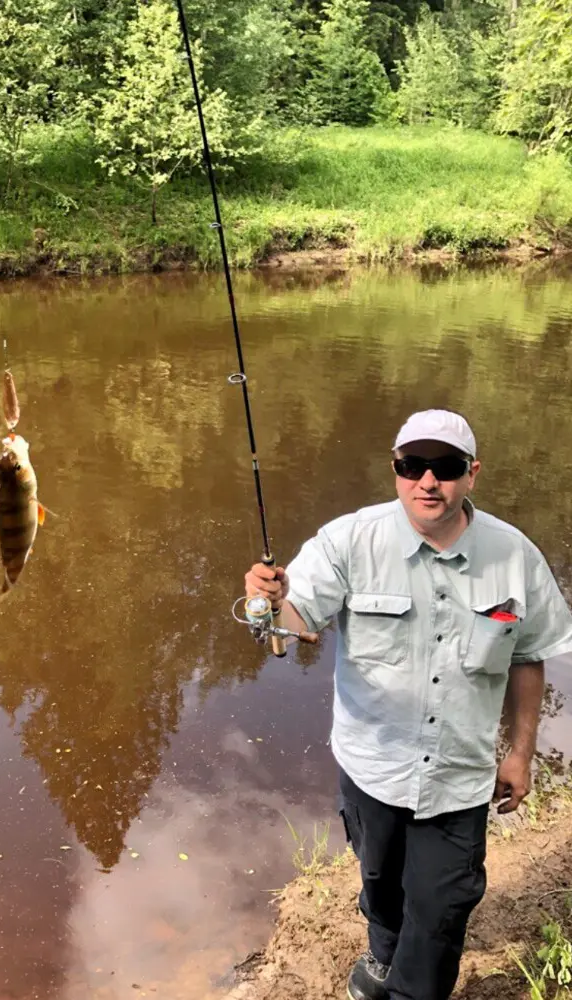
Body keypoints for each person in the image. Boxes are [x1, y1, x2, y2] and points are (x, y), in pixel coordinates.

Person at [244, 409, 572, 1000]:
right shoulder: (348, 540)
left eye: (444, 467)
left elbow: (529, 657)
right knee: (380, 886)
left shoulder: (514, 555)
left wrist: (520, 754)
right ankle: (382, 949)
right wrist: (267, 603)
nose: (427, 481)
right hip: (372, 768)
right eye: (412, 466)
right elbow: (290, 627)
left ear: (471, 474)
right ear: (394, 471)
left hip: (459, 777)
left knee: (443, 909)